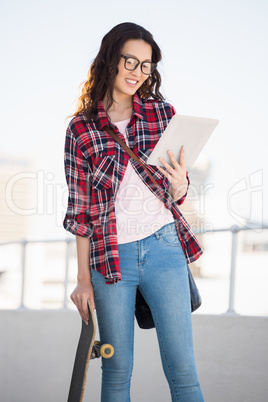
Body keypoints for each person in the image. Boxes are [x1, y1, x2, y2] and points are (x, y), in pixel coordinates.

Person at [63, 22, 204, 402]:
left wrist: (178, 184)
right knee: (116, 372)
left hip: (164, 247)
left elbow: (178, 189)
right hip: (110, 258)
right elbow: (81, 210)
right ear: (111, 59)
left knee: (183, 369)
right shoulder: (81, 128)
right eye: (130, 61)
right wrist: (82, 279)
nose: (137, 72)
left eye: (146, 66)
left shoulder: (163, 113)